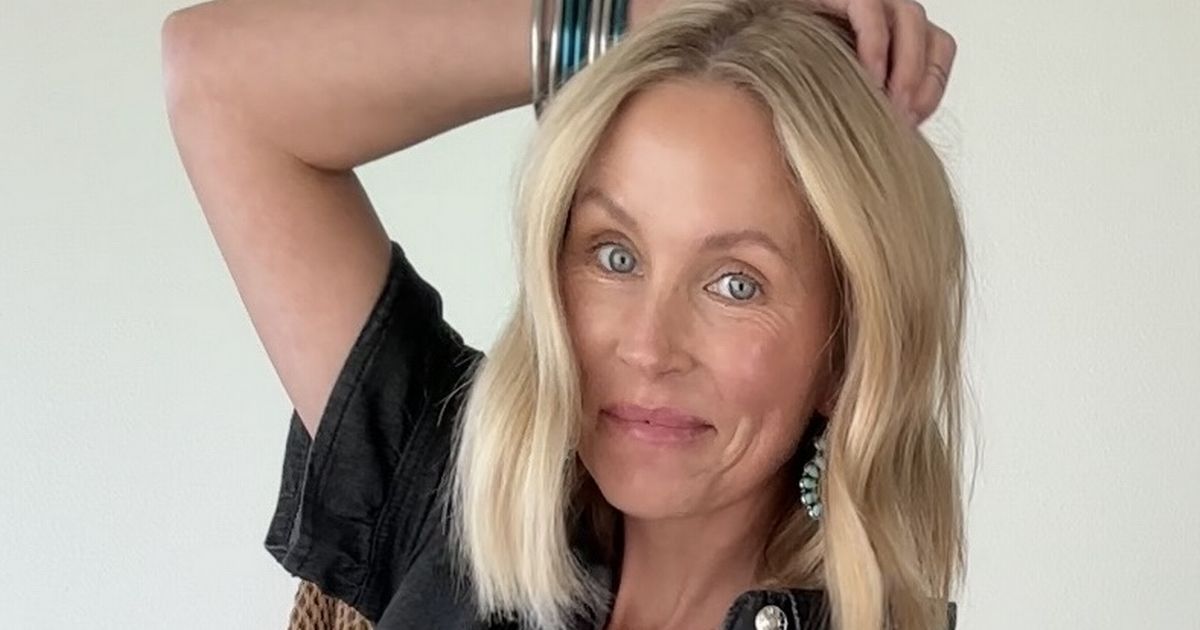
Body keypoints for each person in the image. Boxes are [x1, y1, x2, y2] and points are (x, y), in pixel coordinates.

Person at [162, 0, 965, 628]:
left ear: (846, 351)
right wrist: (665, 14)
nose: (648, 347)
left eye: (735, 284)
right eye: (615, 256)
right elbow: (217, 79)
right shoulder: (457, 494)